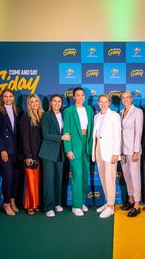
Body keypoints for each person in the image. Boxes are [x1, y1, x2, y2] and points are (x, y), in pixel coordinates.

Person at [63, 87, 94, 216]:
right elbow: (66, 131)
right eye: (77, 95)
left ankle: (82, 202)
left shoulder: (89, 109)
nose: (80, 97)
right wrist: (68, 149)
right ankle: (75, 206)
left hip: (87, 144)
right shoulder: (69, 111)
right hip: (75, 144)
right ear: (73, 97)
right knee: (77, 174)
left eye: (82, 95)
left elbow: (93, 128)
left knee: (85, 174)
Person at [39, 94, 71, 218]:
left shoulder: (64, 115)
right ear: (51, 103)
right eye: (54, 101)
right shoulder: (47, 115)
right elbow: (45, 134)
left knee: (58, 179)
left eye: (59, 101)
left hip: (60, 152)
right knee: (49, 180)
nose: (57, 103)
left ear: (62, 103)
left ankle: (57, 203)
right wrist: (61, 137)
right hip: (48, 153)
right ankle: (48, 206)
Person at [92, 94, 121, 218]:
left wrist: (116, 153)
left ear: (109, 103)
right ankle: (108, 201)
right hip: (98, 148)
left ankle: (111, 206)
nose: (103, 104)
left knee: (109, 178)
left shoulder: (114, 115)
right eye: (101, 102)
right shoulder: (97, 116)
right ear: (98, 103)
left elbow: (117, 135)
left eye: (106, 102)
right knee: (103, 177)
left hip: (110, 151)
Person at [0, 89, 19, 216]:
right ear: (2, 98)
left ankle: (13, 200)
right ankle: (6, 203)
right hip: (5, 151)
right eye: (5, 96)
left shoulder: (17, 111)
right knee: (7, 178)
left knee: (15, 177)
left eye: (10, 96)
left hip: (16, 150)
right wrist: (2, 149)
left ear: (13, 98)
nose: (8, 98)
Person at [119, 91, 143, 217]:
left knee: (135, 178)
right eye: (123, 98)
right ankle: (131, 200)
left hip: (133, 151)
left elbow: (138, 132)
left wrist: (136, 151)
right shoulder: (121, 112)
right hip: (122, 150)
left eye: (128, 97)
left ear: (131, 98)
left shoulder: (137, 112)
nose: (125, 99)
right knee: (127, 177)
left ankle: (137, 205)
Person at [20, 94, 43, 215]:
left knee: (37, 181)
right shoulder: (26, 117)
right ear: (29, 104)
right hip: (30, 155)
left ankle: (36, 203)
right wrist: (28, 155)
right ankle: (30, 205)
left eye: (36, 101)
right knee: (30, 181)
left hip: (40, 154)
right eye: (32, 102)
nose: (34, 104)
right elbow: (24, 138)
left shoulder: (42, 116)